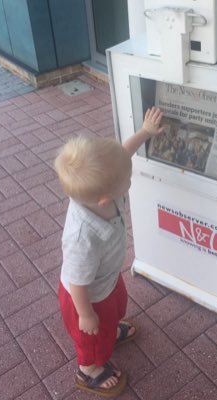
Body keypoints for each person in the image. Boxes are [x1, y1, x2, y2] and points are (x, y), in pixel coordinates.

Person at [54, 107, 165, 398]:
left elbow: (121, 156)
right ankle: (88, 371)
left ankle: (109, 332)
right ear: (106, 199)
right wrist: (86, 314)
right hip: (85, 298)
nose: (129, 180)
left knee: (116, 307)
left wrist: (145, 132)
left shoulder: (101, 189)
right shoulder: (82, 236)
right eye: (127, 181)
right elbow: (77, 282)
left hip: (106, 279)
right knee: (91, 337)